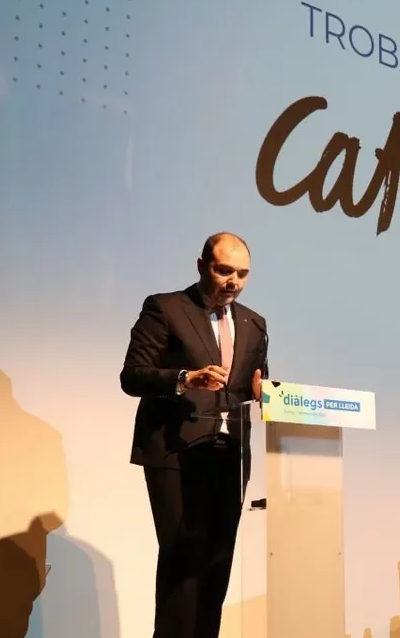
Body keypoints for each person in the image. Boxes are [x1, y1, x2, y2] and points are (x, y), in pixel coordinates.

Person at [120, 232, 269, 638]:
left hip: (230, 453)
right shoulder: (165, 308)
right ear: (202, 265)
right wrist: (185, 379)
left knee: (217, 564)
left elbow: (254, 383)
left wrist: (265, 393)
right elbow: (132, 376)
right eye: (224, 271)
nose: (233, 282)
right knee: (183, 561)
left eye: (242, 274)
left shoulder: (255, 323)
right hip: (174, 451)